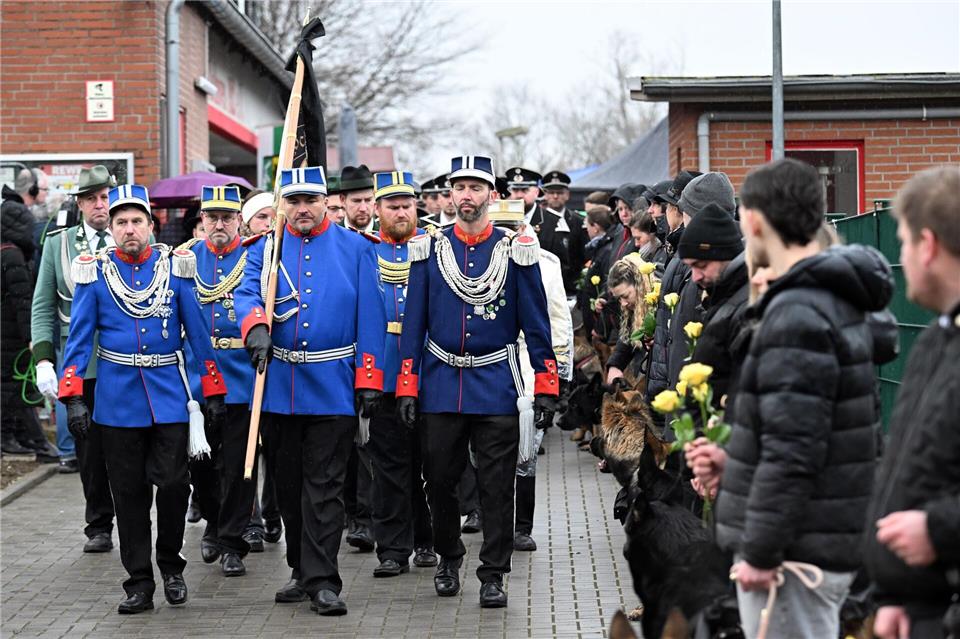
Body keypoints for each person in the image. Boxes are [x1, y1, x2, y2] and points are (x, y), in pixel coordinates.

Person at [690, 158, 893, 638]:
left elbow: (793, 453)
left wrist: (761, 552)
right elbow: (802, 430)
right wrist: (735, 462)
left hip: (793, 556)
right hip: (812, 541)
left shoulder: (797, 313)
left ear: (755, 221)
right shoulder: (820, 301)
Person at [396, 155, 560, 608]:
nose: (466, 196)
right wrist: (407, 385)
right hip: (441, 384)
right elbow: (413, 324)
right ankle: (449, 557)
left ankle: (493, 573)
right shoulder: (429, 249)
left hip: (496, 384)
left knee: (497, 486)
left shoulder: (515, 250)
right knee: (439, 480)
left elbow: (537, 324)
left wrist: (546, 385)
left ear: (492, 194)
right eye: (459, 187)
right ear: (450, 195)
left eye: (475, 187)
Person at [58, 183, 229, 614]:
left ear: (151, 225)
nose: (129, 229)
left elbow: (198, 332)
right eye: (122, 222)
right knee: (129, 496)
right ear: (112, 228)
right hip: (117, 403)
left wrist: (213, 389)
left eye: (137, 221)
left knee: (173, 485)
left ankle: (171, 565)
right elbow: (79, 339)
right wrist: (73, 395)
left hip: (170, 397)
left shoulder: (174, 268)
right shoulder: (95, 273)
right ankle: (139, 582)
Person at [234, 166, 385, 616]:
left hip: (332, 385)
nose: (302, 209)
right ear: (282, 204)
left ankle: (323, 580)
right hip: (278, 386)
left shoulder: (357, 248)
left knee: (325, 487)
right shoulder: (266, 247)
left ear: (325, 202)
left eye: (310, 201)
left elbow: (371, 317)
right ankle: (300, 569)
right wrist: (255, 327)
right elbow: (246, 293)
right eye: (293, 201)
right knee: (288, 486)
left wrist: (368, 379)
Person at [863, 166, 960, 639]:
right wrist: (898, 595)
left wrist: (940, 530)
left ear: (927, 245)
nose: (899, 256)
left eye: (902, 242)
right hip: (923, 607)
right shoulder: (940, 339)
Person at [28, 165, 117, 549]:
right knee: (88, 449)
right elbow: (42, 305)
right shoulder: (58, 244)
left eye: (105, 197)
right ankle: (98, 524)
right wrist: (44, 359)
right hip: (80, 364)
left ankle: (133, 519)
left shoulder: (132, 235)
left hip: (125, 360)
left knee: (127, 446)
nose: (100, 205)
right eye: (91, 199)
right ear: (80, 204)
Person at [179, 186, 259, 577]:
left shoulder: (255, 256)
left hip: (241, 375)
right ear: (203, 221)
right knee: (201, 464)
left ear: (239, 220)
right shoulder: (185, 258)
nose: (220, 225)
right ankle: (212, 521)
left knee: (239, 465)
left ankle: (232, 541)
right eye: (213, 218)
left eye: (228, 217)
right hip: (197, 377)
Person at [363, 170, 437, 578]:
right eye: (393, 207)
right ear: (378, 210)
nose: (401, 213)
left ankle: (428, 539)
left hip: (429, 373)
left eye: (407, 205)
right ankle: (392, 548)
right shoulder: (365, 252)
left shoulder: (434, 249)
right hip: (384, 375)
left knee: (433, 465)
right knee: (389, 468)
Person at [488, 199, 573, 552]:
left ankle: (522, 525)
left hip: (529, 363)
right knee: (486, 448)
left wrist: (558, 376)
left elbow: (559, 320)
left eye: (513, 228)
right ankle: (487, 516)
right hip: (491, 364)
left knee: (528, 448)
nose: (507, 235)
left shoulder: (546, 263)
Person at [676, 202, 748, 410]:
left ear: (725, 256)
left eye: (701, 265)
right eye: (690, 267)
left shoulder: (744, 305)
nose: (695, 277)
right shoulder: (723, 296)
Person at [1, 182, 51, 458]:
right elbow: (22, 301)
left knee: (12, 383)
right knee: (12, 384)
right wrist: (32, 336)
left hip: (7, 330)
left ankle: (19, 436)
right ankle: (8, 436)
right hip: (12, 332)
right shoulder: (14, 255)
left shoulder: (5, 251)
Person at [506, 166, 571, 282]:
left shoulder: (554, 221)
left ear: (536, 192)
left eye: (524, 190)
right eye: (515, 190)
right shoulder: (500, 221)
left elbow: (562, 264)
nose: (519, 195)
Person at [542, 170, 586, 294]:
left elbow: (583, 254)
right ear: (545, 195)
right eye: (551, 192)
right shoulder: (538, 222)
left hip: (572, 286)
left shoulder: (578, 221)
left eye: (560, 193)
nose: (555, 196)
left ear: (567, 195)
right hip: (545, 285)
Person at [339, 164, 377, 233]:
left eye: (368, 200)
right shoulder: (331, 236)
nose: (363, 209)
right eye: (356, 201)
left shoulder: (388, 236)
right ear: (343, 200)